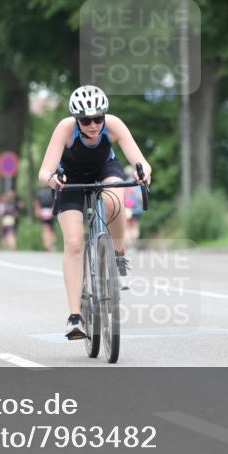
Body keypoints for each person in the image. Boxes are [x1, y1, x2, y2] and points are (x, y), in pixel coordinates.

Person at [37, 85, 151, 341]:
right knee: (74, 243)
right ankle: (75, 316)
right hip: (70, 179)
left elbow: (140, 161)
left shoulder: (114, 125)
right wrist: (53, 179)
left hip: (104, 169)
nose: (93, 125)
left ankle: (118, 256)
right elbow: (44, 172)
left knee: (114, 200)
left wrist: (143, 173)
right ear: (77, 119)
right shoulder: (65, 129)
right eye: (86, 120)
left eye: (98, 119)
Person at [122, 165, 144, 252]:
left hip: (126, 209)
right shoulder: (136, 184)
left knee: (127, 228)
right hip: (136, 209)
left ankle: (128, 247)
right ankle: (134, 247)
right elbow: (140, 197)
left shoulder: (123, 184)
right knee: (135, 227)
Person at [33, 186, 57, 252]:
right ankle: (51, 244)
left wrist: (37, 211)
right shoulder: (53, 191)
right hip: (50, 212)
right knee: (51, 229)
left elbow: (37, 203)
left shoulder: (40, 192)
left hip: (43, 212)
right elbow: (55, 200)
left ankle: (48, 245)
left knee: (46, 229)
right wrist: (54, 210)